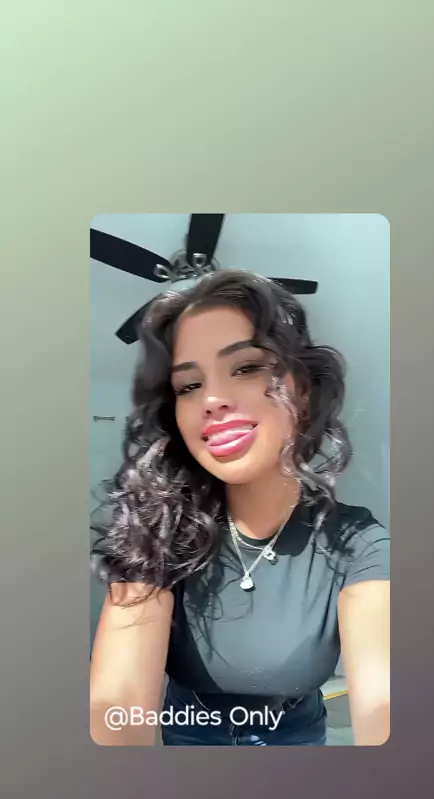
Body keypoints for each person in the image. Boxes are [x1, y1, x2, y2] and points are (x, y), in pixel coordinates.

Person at [90, 269, 390, 746]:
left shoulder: (359, 545)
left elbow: (384, 700)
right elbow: (117, 707)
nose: (211, 400)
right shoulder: (155, 533)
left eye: (247, 367)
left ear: (303, 390)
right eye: (188, 386)